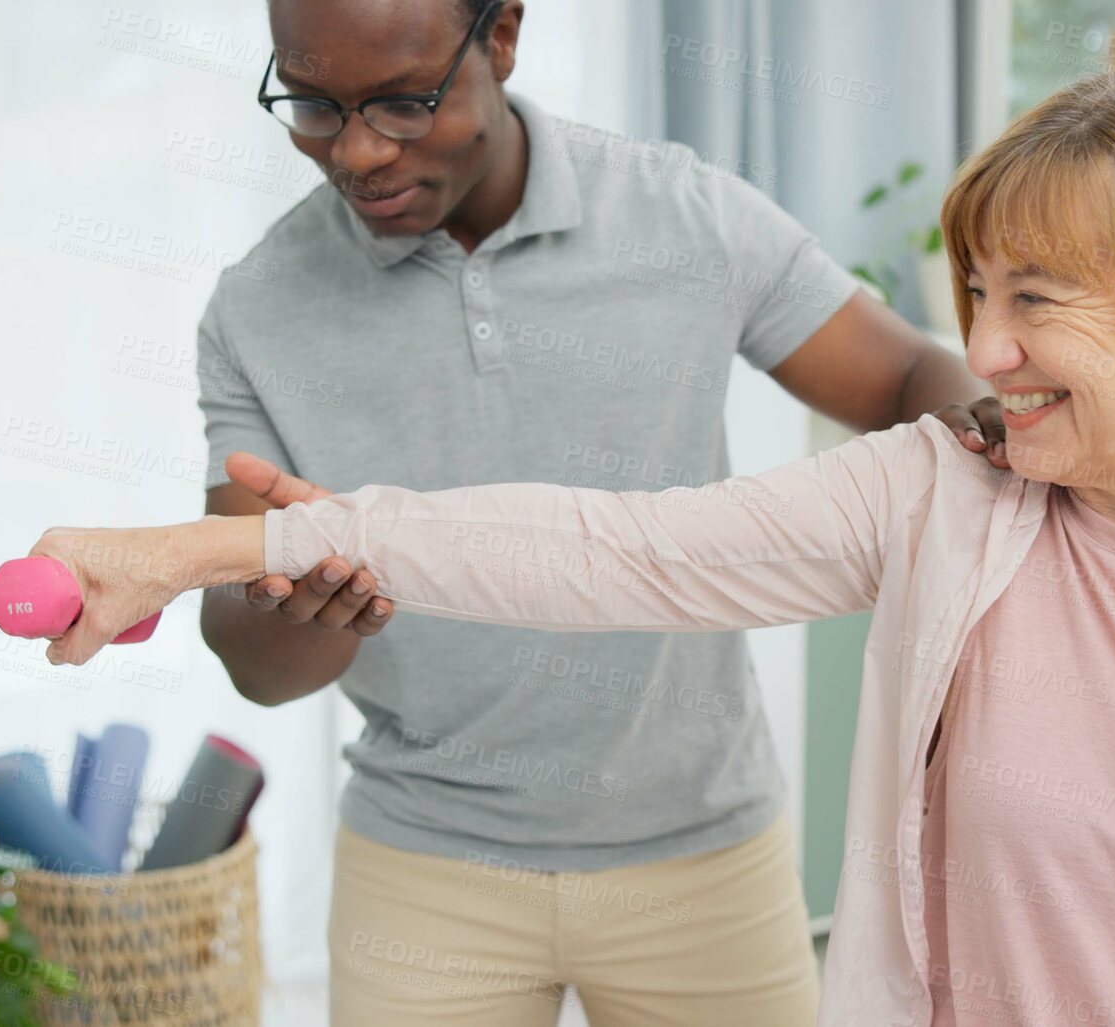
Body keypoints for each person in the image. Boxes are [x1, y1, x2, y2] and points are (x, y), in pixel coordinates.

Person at [45, 52, 1115, 1025]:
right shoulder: (941, 497)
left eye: (1036, 299)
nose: (980, 348)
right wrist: (185, 552)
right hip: (436, 837)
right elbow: (610, 551)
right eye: (974, 292)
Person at [196, 0, 1001, 1022]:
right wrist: (289, 607)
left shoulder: (685, 213)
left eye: (405, 102)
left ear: (500, 36)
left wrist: (989, 430)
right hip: (425, 870)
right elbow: (254, 658)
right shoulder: (259, 306)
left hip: (701, 852)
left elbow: (906, 378)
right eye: (313, 105)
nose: (357, 152)